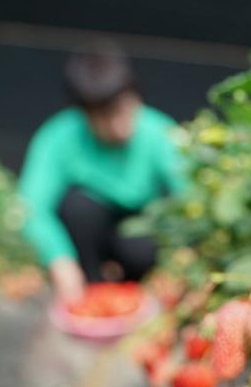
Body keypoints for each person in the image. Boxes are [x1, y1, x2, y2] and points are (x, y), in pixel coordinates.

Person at [18, 43, 189, 303]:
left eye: (125, 110)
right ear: (84, 114)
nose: (120, 126)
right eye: (106, 117)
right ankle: (91, 288)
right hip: (89, 236)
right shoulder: (59, 136)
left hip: (137, 233)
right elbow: (30, 209)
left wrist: (181, 261)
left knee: (142, 244)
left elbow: (191, 196)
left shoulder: (159, 132)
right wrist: (59, 261)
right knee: (78, 207)